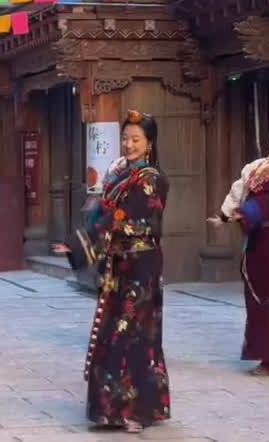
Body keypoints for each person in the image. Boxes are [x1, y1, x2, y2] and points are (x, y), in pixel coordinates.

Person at [54, 109, 170, 433]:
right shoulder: (120, 175)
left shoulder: (151, 180)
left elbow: (124, 220)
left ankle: (140, 410)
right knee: (111, 332)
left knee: (133, 334)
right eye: (125, 138)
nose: (128, 144)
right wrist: (80, 240)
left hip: (141, 266)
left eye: (136, 139)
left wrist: (83, 242)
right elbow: (103, 214)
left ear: (149, 144)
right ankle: (110, 410)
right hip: (117, 266)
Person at [210, 119, 269, 379]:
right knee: (256, 300)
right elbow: (238, 191)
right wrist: (224, 216)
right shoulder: (254, 168)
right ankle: (263, 357)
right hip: (256, 241)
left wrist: (247, 212)